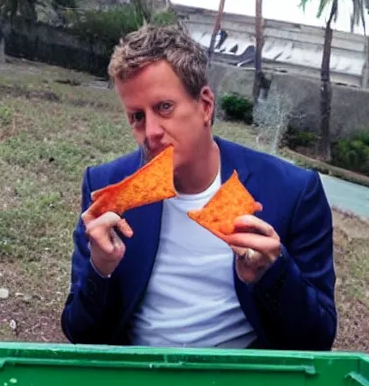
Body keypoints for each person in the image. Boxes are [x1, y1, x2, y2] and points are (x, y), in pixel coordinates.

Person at [60, 24, 337, 351]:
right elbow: (80, 334)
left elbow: (317, 341)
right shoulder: (107, 191)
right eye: (137, 116)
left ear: (205, 106)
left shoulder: (292, 193)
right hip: (141, 381)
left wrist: (272, 273)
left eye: (164, 108)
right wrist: (99, 270)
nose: (151, 132)